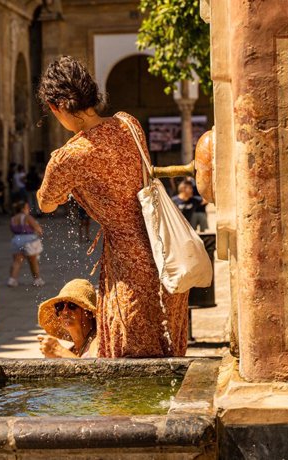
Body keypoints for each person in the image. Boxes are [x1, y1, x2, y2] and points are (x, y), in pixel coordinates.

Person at [36, 55, 189, 358]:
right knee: (167, 352)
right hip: (164, 256)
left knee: (130, 358)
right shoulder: (128, 122)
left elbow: (46, 203)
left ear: (57, 107)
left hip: (128, 265)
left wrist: (60, 164)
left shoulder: (69, 156)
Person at [37, 279, 99, 358]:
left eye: (72, 305)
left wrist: (58, 351)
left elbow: (95, 369)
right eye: (60, 306)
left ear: (89, 313)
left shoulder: (97, 342)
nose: (65, 311)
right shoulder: (71, 351)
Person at [8, 201, 45, 287]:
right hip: (29, 240)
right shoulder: (27, 217)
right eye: (27, 207)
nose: (28, 209)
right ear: (23, 209)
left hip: (16, 239)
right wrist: (39, 232)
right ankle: (37, 279)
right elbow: (37, 228)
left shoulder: (13, 219)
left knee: (17, 261)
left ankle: (12, 280)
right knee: (33, 261)